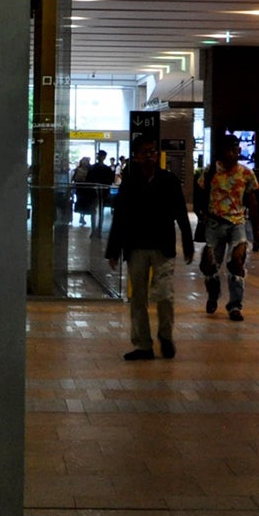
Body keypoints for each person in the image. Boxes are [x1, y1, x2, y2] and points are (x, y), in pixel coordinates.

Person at [105, 136, 193, 361]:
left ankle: (165, 335)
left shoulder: (168, 180)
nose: (149, 155)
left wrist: (188, 241)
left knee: (165, 294)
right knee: (138, 298)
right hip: (136, 247)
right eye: (144, 152)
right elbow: (121, 217)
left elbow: (181, 213)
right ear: (135, 155)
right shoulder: (130, 182)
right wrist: (113, 249)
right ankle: (143, 344)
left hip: (162, 246)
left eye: (152, 151)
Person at [196, 132, 257, 322]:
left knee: (236, 263)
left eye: (237, 149)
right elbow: (200, 195)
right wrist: (201, 215)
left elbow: (252, 200)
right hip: (214, 224)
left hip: (238, 223)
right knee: (209, 265)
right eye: (231, 149)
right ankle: (213, 294)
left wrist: (258, 228)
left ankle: (235, 306)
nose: (235, 153)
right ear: (222, 151)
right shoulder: (210, 172)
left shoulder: (246, 173)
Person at [86, 149, 116, 235]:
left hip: (94, 192)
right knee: (100, 211)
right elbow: (109, 181)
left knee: (94, 211)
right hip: (102, 192)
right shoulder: (107, 169)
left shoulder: (93, 168)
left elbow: (88, 180)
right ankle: (98, 229)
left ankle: (94, 229)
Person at [71, 156, 94, 225]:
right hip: (80, 188)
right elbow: (73, 178)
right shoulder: (77, 169)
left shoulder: (90, 170)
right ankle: (81, 215)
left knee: (85, 202)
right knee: (80, 201)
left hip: (86, 189)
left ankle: (83, 215)